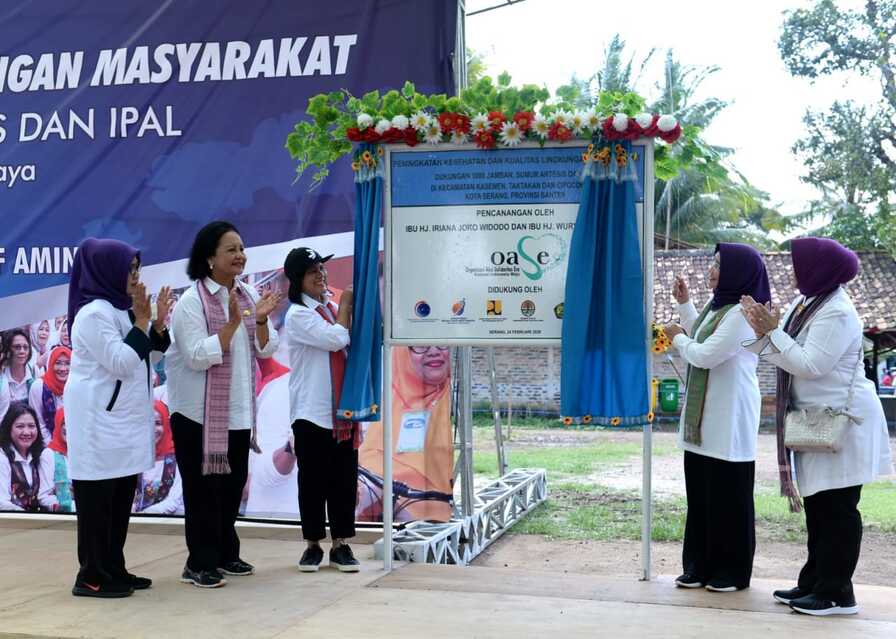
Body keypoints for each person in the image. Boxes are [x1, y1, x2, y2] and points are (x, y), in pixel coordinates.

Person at [743, 238, 894, 616]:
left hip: (844, 424)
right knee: (819, 505)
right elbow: (781, 351)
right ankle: (813, 582)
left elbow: (811, 364)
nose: (794, 272)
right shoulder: (807, 302)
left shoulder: (838, 312)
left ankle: (837, 593)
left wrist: (771, 334)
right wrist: (762, 332)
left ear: (820, 269)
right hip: (814, 419)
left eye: (800, 265)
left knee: (839, 509)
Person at [166, 221, 280, 589]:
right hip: (197, 415)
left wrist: (259, 319)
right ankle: (199, 563)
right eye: (231, 249)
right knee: (203, 493)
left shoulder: (247, 295)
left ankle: (226, 553)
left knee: (231, 490)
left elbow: (267, 347)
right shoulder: (190, 302)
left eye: (242, 248)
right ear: (209, 257)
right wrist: (231, 325)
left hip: (237, 412)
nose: (240, 256)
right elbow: (198, 356)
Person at [64, 237, 172, 598]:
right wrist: (143, 323)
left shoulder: (120, 311)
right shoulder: (93, 313)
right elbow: (123, 362)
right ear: (106, 270)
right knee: (98, 502)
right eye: (129, 268)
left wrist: (155, 328)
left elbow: (147, 360)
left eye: (137, 268)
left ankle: (114, 567)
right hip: (98, 424)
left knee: (119, 497)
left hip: (122, 422)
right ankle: (91, 576)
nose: (135, 276)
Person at [662, 243, 770, 593]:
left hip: (729, 415)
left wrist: (676, 339)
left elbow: (705, 354)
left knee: (729, 496)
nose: (711, 270)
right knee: (702, 495)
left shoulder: (742, 314)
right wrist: (685, 304)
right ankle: (699, 565)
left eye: (719, 265)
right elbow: (700, 334)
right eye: (712, 264)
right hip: (703, 418)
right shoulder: (717, 306)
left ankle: (732, 571)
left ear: (739, 273)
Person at [283, 247, 361, 573]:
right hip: (311, 412)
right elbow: (334, 339)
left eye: (322, 269)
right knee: (313, 483)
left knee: (344, 480)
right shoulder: (298, 315)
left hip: (341, 411)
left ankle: (341, 544)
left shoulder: (331, 308)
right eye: (313, 271)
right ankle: (312, 545)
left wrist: (343, 308)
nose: (322, 275)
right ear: (298, 280)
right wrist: (345, 306)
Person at [358, 346, 454, 522]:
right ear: (402, 356)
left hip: (428, 507)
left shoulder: (452, 398)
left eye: (442, 343)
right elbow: (369, 465)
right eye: (419, 346)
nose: (434, 351)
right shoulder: (382, 402)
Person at [0, 402, 58, 512]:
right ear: (9, 428)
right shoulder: (2, 458)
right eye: (20, 426)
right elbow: (2, 502)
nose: (26, 432)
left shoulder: (43, 456)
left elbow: (45, 496)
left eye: (31, 426)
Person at [132, 402, 182, 515]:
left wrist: (144, 514)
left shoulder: (177, 462)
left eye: (158, 423)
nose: (152, 429)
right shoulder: (134, 460)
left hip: (166, 527)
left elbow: (173, 502)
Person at [28, 346, 71, 443]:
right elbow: (38, 423)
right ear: (50, 363)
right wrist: (53, 448)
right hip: (47, 444)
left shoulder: (74, 387)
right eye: (58, 363)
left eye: (68, 364)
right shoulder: (39, 387)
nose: (63, 368)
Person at [47, 408, 75, 513]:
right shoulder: (49, 454)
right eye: (64, 423)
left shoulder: (86, 454)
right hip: (60, 514)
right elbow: (45, 495)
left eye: (74, 423)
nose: (69, 428)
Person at [1, 329, 36, 403]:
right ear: (8, 349)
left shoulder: (34, 371)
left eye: (25, 347)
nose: (22, 351)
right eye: (17, 347)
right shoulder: (2, 376)